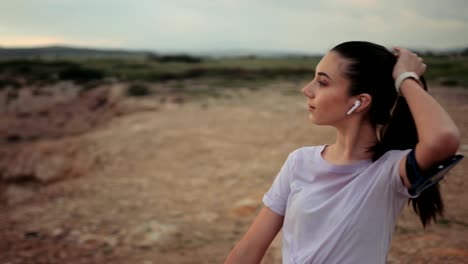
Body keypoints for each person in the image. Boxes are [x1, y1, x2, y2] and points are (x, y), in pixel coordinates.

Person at [224, 41, 461, 264]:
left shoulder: (389, 171)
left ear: (359, 101)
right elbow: (249, 249)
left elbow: (444, 138)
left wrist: (405, 78)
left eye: (322, 82)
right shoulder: (299, 161)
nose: (307, 90)